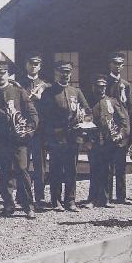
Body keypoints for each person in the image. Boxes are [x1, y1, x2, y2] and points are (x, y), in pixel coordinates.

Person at [0, 60, 39, 219]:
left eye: (3, 73)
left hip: (19, 140)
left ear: (8, 74)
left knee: (23, 170)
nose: (0, 76)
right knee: (4, 173)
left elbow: (32, 113)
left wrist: (28, 131)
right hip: (1, 139)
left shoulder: (18, 90)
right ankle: (8, 204)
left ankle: (28, 206)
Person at [41, 60, 90, 212]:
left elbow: (87, 110)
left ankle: (70, 201)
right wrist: (51, 136)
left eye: (68, 72)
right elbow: (44, 117)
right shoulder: (49, 92)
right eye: (62, 72)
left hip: (73, 138)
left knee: (71, 170)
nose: (65, 75)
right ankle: (56, 201)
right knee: (56, 170)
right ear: (56, 73)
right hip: (57, 138)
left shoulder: (76, 91)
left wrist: (84, 120)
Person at [87, 74, 130, 208]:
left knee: (107, 170)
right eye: (99, 87)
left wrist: (120, 135)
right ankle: (92, 199)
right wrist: (85, 140)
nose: (101, 90)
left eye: (103, 87)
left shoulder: (112, 102)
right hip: (93, 141)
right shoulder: (88, 103)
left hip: (109, 142)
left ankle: (105, 199)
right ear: (93, 87)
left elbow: (123, 120)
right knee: (94, 170)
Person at [15, 51, 50, 208]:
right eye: (31, 63)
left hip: (40, 131)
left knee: (39, 164)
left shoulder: (46, 86)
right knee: (22, 164)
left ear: (40, 66)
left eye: (36, 64)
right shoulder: (18, 84)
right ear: (26, 65)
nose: (33, 66)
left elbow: (50, 110)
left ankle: (40, 197)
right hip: (23, 128)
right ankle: (22, 196)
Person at [105, 52, 132, 205]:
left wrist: (127, 127)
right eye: (115, 63)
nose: (118, 66)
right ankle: (107, 196)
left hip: (122, 128)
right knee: (109, 163)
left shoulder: (126, 85)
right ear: (110, 64)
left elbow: (128, 106)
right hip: (109, 126)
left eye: (120, 64)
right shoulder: (105, 82)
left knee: (121, 164)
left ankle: (121, 196)